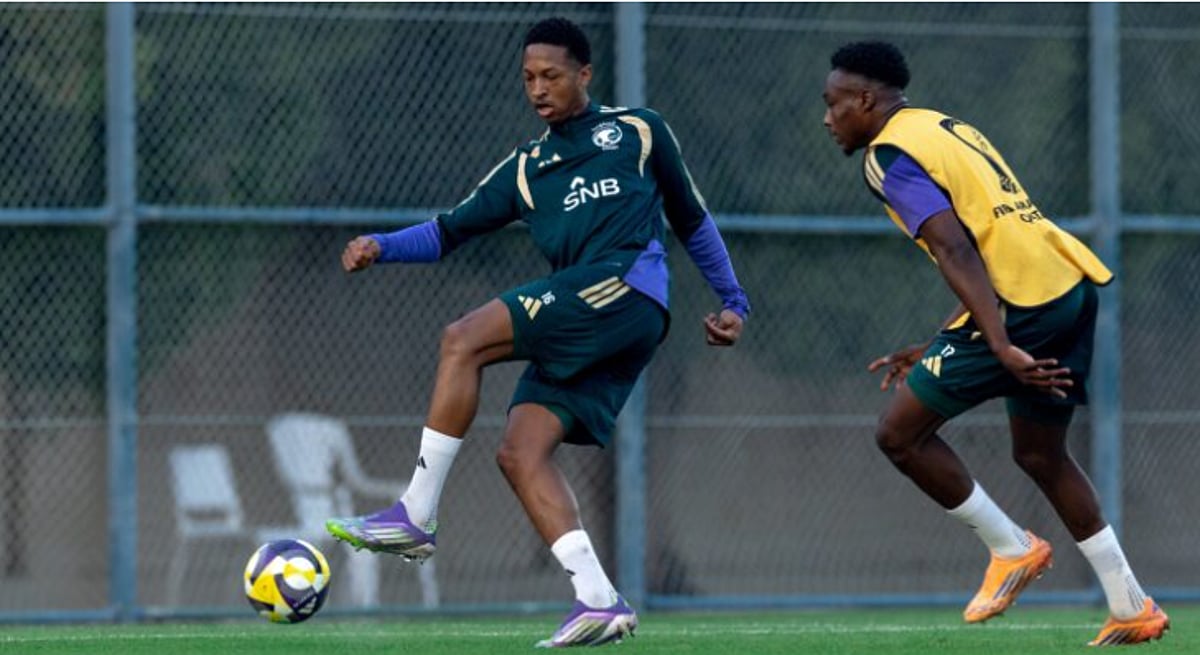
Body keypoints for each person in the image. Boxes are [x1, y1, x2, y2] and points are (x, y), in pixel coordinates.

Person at [326, 17, 749, 648]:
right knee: (520, 450)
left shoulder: (637, 131)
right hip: (593, 318)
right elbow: (448, 231)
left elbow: (691, 217)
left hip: (625, 291)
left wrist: (733, 299)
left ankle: (415, 513)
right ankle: (598, 600)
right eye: (528, 78)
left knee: (462, 338)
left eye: (551, 75)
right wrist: (381, 246)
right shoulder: (527, 168)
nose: (538, 89)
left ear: (585, 74)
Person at [822, 41, 1167, 646]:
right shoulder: (944, 126)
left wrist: (1000, 343)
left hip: (1023, 308)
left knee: (899, 435)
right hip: (1066, 286)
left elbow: (956, 247)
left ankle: (1011, 548)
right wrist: (947, 338)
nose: (828, 118)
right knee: (1040, 454)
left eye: (833, 104)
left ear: (866, 100)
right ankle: (1131, 605)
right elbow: (993, 242)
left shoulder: (887, 155)